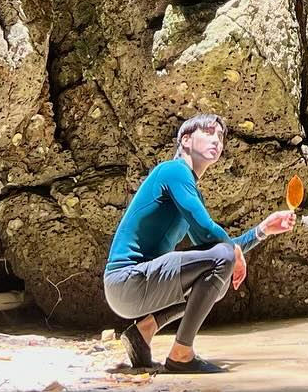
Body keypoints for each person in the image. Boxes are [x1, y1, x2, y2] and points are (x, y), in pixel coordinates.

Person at [104, 113, 296, 373]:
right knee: (223, 259)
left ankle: (142, 332)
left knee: (216, 282)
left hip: (137, 289)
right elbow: (214, 239)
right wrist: (233, 253)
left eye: (220, 136)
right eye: (208, 132)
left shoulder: (189, 189)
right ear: (185, 140)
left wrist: (262, 230)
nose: (216, 139)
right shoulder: (173, 171)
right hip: (127, 281)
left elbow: (214, 249)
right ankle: (181, 354)